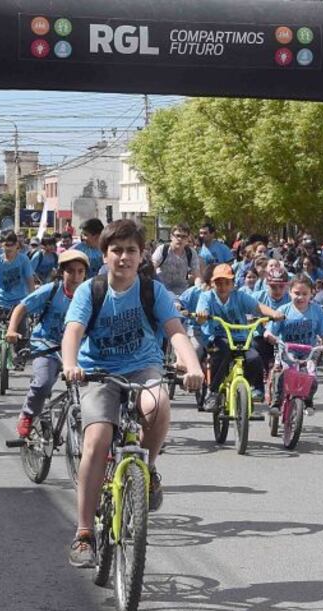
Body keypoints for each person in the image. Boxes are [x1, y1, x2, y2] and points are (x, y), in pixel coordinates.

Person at [61, 219, 203, 568]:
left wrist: (193, 366)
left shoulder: (151, 291)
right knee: (96, 440)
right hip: (98, 371)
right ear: (105, 255)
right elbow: (73, 332)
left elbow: (176, 331)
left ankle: (148, 468)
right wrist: (69, 363)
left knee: (158, 403)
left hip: (143, 366)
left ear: (142, 257)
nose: (124, 257)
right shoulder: (90, 291)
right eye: (117, 250)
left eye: (131, 251)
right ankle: (83, 534)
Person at [9, 250, 89, 437]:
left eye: (80, 271)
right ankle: (28, 415)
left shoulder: (90, 294)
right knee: (43, 382)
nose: (76, 276)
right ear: (62, 272)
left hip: (79, 347)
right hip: (47, 344)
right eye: (70, 271)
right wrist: (12, 330)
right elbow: (22, 307)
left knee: (96, 388)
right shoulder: (52, 290)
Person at [197, 263, 284, 408]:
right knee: (222, 354)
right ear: (212, 283)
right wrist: (202, 315)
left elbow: (258, 307)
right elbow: (201, 314)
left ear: (233, 283)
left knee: (254, 359)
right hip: (219, 338)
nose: (223, 286)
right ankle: (212, 392)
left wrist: (274, 313)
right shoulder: (207, 297)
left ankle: (247, 389)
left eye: (227, 282)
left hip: (241, 339)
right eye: (219, 283)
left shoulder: (240, 296)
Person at [266, 274, 323, 415]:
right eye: (297, 293)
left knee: (311, 378)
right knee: (285, 374)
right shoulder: (283, 310)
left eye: (305, 294)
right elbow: (270, 330)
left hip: (308, 351)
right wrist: (269, 336)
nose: (301, 297)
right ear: (289, 292)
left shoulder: (316, 311)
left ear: (311, 294)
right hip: (287, 351)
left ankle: (308, 401)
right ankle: (277, 404)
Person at [0, 231, 35, 358]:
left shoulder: (23, 260)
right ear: (1, 246)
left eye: (11, 245)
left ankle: (20, 353)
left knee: (21, 328)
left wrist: (33, 299)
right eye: (5, 245)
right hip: (0, 301)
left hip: (18, 301)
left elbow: (30, 280)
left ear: (17, 246)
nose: (8, 248)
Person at [152, 223, 202, 296]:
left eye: (184, 236)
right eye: (177, 235)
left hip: (182, 292)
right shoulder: (163, 249)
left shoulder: (191, 253)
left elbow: (197, 275)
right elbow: (151, 269)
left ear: (188, 239)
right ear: (171, 237)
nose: (180, 239)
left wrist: (199, 289)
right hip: (162, 291)